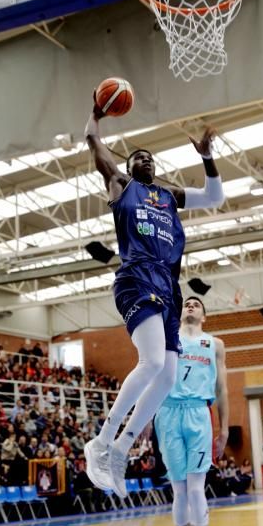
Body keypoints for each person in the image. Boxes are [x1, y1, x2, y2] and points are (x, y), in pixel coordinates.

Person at [84, 99, 225, 498]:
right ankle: (102, 441)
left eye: (149, 156)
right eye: (137, 157)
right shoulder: (121, 186)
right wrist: (96, 111)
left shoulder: (168, 195)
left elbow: (214, 196)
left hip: (169, 286)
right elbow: (92, 140)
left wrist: (208, 156)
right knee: (152, 362)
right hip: (137, 275)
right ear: (128, 168)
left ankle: (120, 450)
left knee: (165, 376)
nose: (145, 159)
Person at [154, 296, 228, 526]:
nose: (191, 305)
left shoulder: (215, 344)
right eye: (188, 303)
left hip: (198, 413)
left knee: (196, 490)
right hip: (168, 413)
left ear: (205, 316)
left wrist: (224, 429)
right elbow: (154, 376)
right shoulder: (168, 337)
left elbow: (222, 388)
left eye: (198, 304)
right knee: (180, 492)